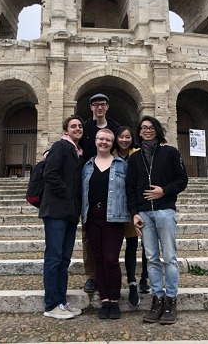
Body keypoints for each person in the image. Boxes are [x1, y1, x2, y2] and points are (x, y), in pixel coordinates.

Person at [126, 116, 188, 325]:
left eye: (151, 127)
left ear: (157, 130)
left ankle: (171, 300)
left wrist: (164, 191)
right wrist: (134, 213)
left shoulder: (170, 152)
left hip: (164, 210)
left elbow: (182, 179)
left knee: (169, 257)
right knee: (151, 258)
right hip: (144, 213)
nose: (147, 131)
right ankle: (157, 299)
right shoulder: (134, 158)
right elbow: (130, 187)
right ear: (139, 132)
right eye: (143, 128)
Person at [39, 115, 85, 320]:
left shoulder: (77, 152)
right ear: (66, 130)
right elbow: (50, 174)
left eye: (80, 126)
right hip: (57, 210)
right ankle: (51, 304)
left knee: (64, 259)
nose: (77, 128)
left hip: (69, 213)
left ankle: (61, 301)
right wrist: (67, 193)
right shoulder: (59, 146)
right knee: (54, 257)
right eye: (73, 126)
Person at [82, 128, 130, 320]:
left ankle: (115, 300)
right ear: (95, 141)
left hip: (114, 217)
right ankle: (104, 300)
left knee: (111, 260)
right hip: (92, 217)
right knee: (99, 261)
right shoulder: (86, 166)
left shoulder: (122, 165)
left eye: (108, 140)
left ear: (113, 143)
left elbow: (129, 190)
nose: (104, 142)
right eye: (100, 139)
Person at [80, 93, 120, 294]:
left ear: (107, 106)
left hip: (111, 178)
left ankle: (108, 272)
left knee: (110, 233)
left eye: (102, 104)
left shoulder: (114, 126)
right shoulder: (85, 126)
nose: (99, 108)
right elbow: (71, 139)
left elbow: (127, 141)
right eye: (95, 105)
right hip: (89, 179)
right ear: (91, 107)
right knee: (88, 234)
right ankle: (91, 276)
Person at [113, 126, 150, 307]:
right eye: (121, 137)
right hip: (122, 205)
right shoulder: (111, 154)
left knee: (146, 244)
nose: (125, 140)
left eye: (128, 137)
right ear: (116, 139)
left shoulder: (139, 153)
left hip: (139, 203)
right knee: (131, 245)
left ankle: (144, 276)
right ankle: (132, 281)